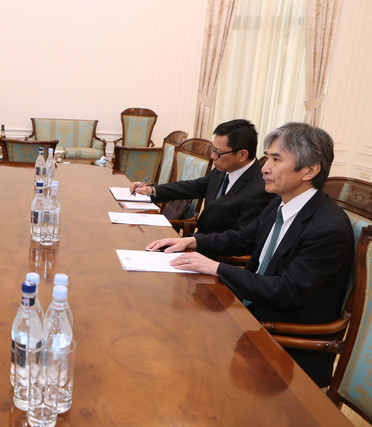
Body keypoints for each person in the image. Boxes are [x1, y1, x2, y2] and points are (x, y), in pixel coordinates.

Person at [147, 123, 354, 387]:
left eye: (276, 159)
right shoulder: (281, 203)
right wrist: (192, 241)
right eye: (267, 158)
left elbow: (287, 292)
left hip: (284, 346)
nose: (265, 168)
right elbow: (242, 238)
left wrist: (217, 268)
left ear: (309, 171)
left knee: (179, 353)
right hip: (251, 314)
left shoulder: (328, 228)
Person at [130, 119, 274, 234]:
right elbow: (194, 187)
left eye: (218, 152)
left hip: (214, 255)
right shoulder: (224, 169)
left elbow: (239, 239)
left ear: (242, 155)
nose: (212, 156)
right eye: (212, 149)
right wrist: (152, 190)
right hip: (198, 244)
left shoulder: (260, 189)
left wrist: (192, 243)